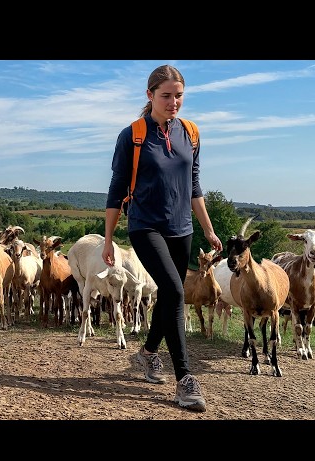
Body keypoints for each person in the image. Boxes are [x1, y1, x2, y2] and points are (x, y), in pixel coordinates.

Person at [102, 64, 222, 413]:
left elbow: (195, 187)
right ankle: (185, 379)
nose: (173, 102)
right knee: (174, 291)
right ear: (150, 95)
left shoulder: (191, 133)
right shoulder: (133, 135)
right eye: (166, 95)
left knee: (170, 296)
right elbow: (115, 190)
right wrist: (108, 239)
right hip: (145, 226)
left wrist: (209, 228)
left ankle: (148, 353)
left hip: (181, 227)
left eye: (178, 95)